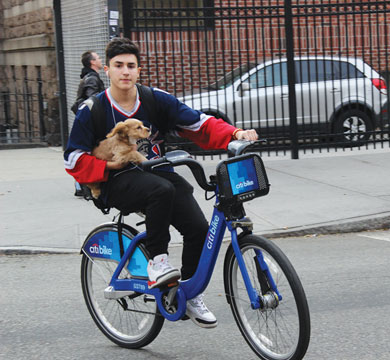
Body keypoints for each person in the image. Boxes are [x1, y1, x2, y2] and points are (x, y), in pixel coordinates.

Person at [64, 38, 258, 328]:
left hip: (155, 171)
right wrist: (107, 166)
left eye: (131, 65)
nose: (125, 71)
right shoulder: (93, 109)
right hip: (116, 179)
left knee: (199, 229)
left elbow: (199, 124)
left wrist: (235, 133)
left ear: (139, 70)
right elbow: (72, 158)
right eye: (118, 66)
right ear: (107, 69)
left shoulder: (155, 99)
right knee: (161, 190)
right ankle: (158, 264)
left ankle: (189, 293)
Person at [72, 51, 106, 196]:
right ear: (92, 62)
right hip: (91, 122)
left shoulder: (89, 76)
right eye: (98, 58)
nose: (100, 59)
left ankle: (81, 185)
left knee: (87, 151)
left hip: (88, 121)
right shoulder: (92, 78)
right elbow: (93, 99)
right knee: (90, 152)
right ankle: (82, 185)